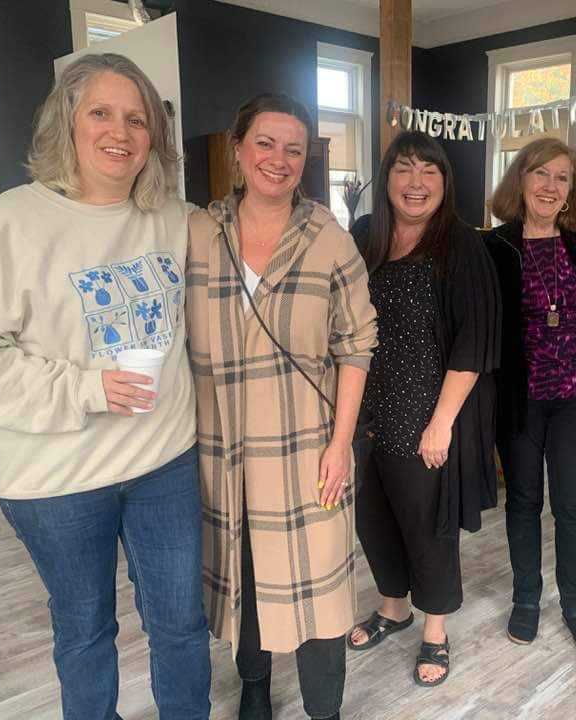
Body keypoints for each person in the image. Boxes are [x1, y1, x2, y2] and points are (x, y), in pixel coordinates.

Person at [0, 53, 210, 719]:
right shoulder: (1, 224)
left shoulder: (172, 217)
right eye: (101, 112)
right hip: (56, 480)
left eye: (137, 119)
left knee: (181, 625)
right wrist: (87, 388)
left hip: (164, 461)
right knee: (85, 633)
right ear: (66, 122)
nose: (120, 132)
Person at [186, 94, 377, 720]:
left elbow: (357, 343)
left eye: (294, 149)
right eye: (265, 143)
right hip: (223, 451)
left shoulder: (329, 239)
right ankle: (255, 685)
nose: (279, 159)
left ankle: (325, 709)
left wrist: (341, 444)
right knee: (244, 574)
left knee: (320, 583)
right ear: (237, 150)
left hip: (307, 448)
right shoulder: (198, 234)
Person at [346, 130, 501, 688]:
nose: (416, 182)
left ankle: (434, 627)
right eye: (404, 169)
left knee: (426, 525)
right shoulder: (365, 235)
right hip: (364, 409)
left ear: (444, 181)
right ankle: (393, 607)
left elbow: (473, 344)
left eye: (428, 170)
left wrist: (441, 423)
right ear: (386, 177)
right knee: (372, 516)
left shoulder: (460, 244)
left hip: (425, 413)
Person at [484, 137, 576, 655]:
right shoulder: (495, 247)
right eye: (541, 173)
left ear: (571, 190)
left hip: (575, 397)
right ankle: (526, 597)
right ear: (520, 179)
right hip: (520, 398)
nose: (550, 185)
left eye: (562, 178)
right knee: (523, 501)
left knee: (573, 504)